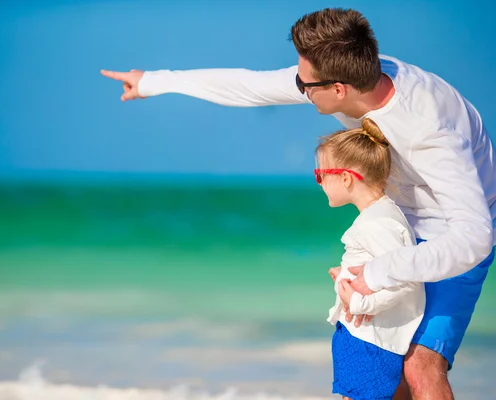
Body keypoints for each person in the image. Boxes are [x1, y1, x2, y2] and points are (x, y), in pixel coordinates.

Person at [100, 8, 496, 399]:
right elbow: (252, 87)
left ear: (338, 89)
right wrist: (153, 82)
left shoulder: (430, 131)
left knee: (420, 363)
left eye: (306, 85)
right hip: (397, 223)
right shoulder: (349, 77)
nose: (298, 88)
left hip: (454, 230)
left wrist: (379, 272)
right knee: (386, 362)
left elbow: (474, 238)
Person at [318, 119, 425, 399]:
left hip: (370, 341)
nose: (318, 182)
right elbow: (382, 268)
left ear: (345, 178)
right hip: (363, 337)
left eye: (320, 175)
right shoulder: (378, 217)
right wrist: (345, 273)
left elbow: (408, 281)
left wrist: (360, 302)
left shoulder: (378, 223)